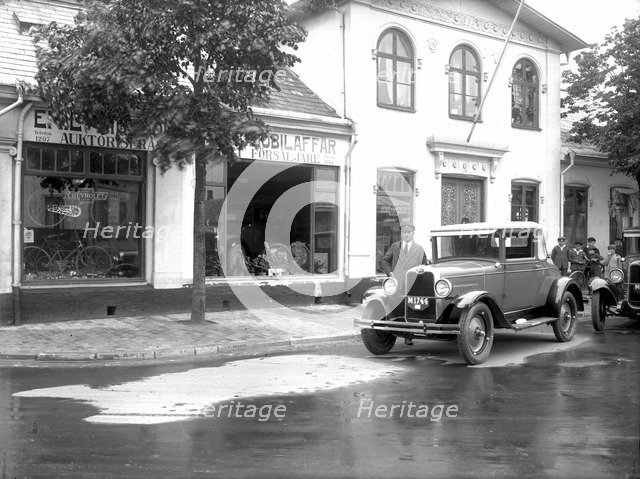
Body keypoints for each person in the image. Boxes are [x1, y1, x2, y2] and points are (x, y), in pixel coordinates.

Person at [379, 221, 428, 345]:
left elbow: (425, 265)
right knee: (398, 308)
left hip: (414, 284)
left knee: (412, 308)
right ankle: (398, 331)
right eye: (404, 232)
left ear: (413, 233)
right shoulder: (395, 247)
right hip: (398, 284)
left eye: (408, 232)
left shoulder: (419, 249)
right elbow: (385, 260)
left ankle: (409, 336)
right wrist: (390, 273)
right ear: (401, 234)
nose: (406, 235)